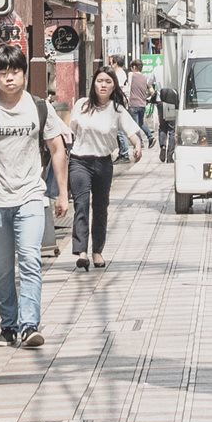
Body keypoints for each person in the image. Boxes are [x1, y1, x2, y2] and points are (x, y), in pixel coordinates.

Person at [0, 46, 68, 347]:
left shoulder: (40, 108)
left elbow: (57, 149)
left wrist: (62, 193)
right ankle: (9, 326)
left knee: (31, 260)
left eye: (15, 72)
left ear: (24, 74)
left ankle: (29, 325)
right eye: (3, 73)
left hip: (31, 195)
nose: (9, 78)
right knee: (3, 268)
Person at [64, 62, 143, 268]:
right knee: (81, 204)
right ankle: (81, 251)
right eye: (99, 81)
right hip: (79, 161)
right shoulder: (82, 105)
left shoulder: (117, 109)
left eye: (108, 81)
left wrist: (137, 145)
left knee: (100, 207)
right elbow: (70, 130)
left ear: (114, 86)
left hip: (103, 162)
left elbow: (132, 132)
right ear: (94, 84)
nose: (103, 85)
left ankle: (97, 251)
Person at [126, 59, 152, 145]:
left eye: (131, 67)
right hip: (142, 104)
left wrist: (127, 100)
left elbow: (128, 88)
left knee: (135, 125)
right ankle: (150, 136)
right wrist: (146, 98)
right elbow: (152, 91)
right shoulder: (145, 78)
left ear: (134, 67)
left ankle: (139, 143)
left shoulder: (131, 75)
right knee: (141, 123)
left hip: (133, 103)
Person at [156, 72, 179, 164]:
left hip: (160, 102)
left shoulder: (156, 70)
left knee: (162, 127)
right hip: (171, 103)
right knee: (171, 131)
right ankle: (170, 156)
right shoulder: (174, 73)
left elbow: (149, 84)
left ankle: (163, 146)